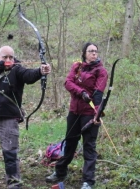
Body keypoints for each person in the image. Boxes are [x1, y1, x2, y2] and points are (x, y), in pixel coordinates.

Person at [0, 45, 51, 189]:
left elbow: (29, 76)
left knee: (10, 154)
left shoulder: (17, 70)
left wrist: (40, 71)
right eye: (4, 57)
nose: (8, 60)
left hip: (8, 118)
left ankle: (13, 185)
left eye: (11, 57)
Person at [45, 42, 108, 189]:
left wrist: (97, 114)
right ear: (84, 53)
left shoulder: (101, 71)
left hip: (89, 114)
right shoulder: (77, 67)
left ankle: (88, 181)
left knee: (89, 147)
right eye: (90, 51)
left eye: (95, 51)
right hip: (74, 112)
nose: (94, 53)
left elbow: (98, 94)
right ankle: (60, 172)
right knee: (70, 143)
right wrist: (81, 92)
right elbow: (68, 82)